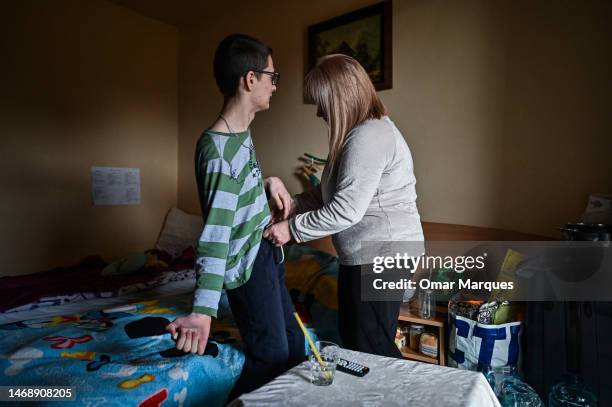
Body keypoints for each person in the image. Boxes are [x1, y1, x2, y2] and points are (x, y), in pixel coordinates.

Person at [166, 33, 304, 398]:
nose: (275, 85)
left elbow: (237, 192)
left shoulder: (239, 135)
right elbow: (215, 234)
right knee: (272, 356)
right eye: (273, 77)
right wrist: (203, 311)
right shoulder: (217, 150)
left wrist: (268, 183)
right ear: (250, 79)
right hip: (245, 263)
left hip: (266, 252)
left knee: (295, 345)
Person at [264, 54, 424, 358]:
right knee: (357, 341)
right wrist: (293, 205)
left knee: (372, 348)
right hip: (365, 256)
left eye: (321, 102)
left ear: (339, 98)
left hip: (382, 254)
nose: (320, 112)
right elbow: (329, 194)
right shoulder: (355, 137)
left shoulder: (369, 136)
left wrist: (291, 230)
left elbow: (346, 210)